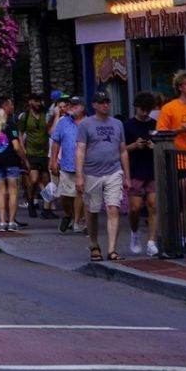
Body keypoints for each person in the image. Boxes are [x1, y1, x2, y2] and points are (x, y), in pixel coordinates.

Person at [77, 91, 128, 260]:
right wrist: (79, 176)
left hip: (113, 170)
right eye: (101, 102)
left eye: (107, 101)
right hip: (92, 172)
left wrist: (127, 175)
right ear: (94, 105)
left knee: (113, 208)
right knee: (92, 210)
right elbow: (80, 150)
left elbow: (123, 150)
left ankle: (112, 249)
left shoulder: (117, 124)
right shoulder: (85, 124)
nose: (105, 105)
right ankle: (94, 243)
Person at [156, 71, 186, 248]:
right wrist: (179, 130)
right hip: (179, 158)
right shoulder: (170, 107)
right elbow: (160, 133)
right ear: (180, 87)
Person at [124, 91, 160, 257]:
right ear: (136, 108)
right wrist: (134, 146)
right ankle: (135, 232)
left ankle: (152, 241)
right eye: (142, 109)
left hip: (152, 169)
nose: (145, 112)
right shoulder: (128, 125)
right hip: (135, 169)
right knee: (135, 208)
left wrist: (154, 145)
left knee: (153, 205)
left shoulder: (156, 124)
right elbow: (121, 149)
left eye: (148, 109)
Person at [0, 95, 23, 232]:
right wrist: (22, 158)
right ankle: (11, 221)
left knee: (1, 192)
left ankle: (2, 221)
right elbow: (16, 146)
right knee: (13, 192)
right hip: (11, 161)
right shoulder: (9, 126)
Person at [50, 97, 83, 233]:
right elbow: (56, 141)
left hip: (85, 166)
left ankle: (77, 222)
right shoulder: (63, 122)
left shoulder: (89, 122)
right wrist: (53, 161)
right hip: (66, 164)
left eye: (75, 105)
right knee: (65, 195)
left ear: (83, 107)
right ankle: (69, 214)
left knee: (79, 193)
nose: (72, 107)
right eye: (71, 105)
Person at [19, 93, 51, 220]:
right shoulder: (25, 116)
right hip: (31, 152)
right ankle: (31, 201)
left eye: (40, 101)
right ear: (30, 102)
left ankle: (46, 207)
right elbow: (19, 132)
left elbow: (50, 131)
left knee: (46, 180)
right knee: (33, 179)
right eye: (36, 101)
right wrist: (22, 147)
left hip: (44, 152)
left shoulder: (46, 115)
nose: (38, 104)